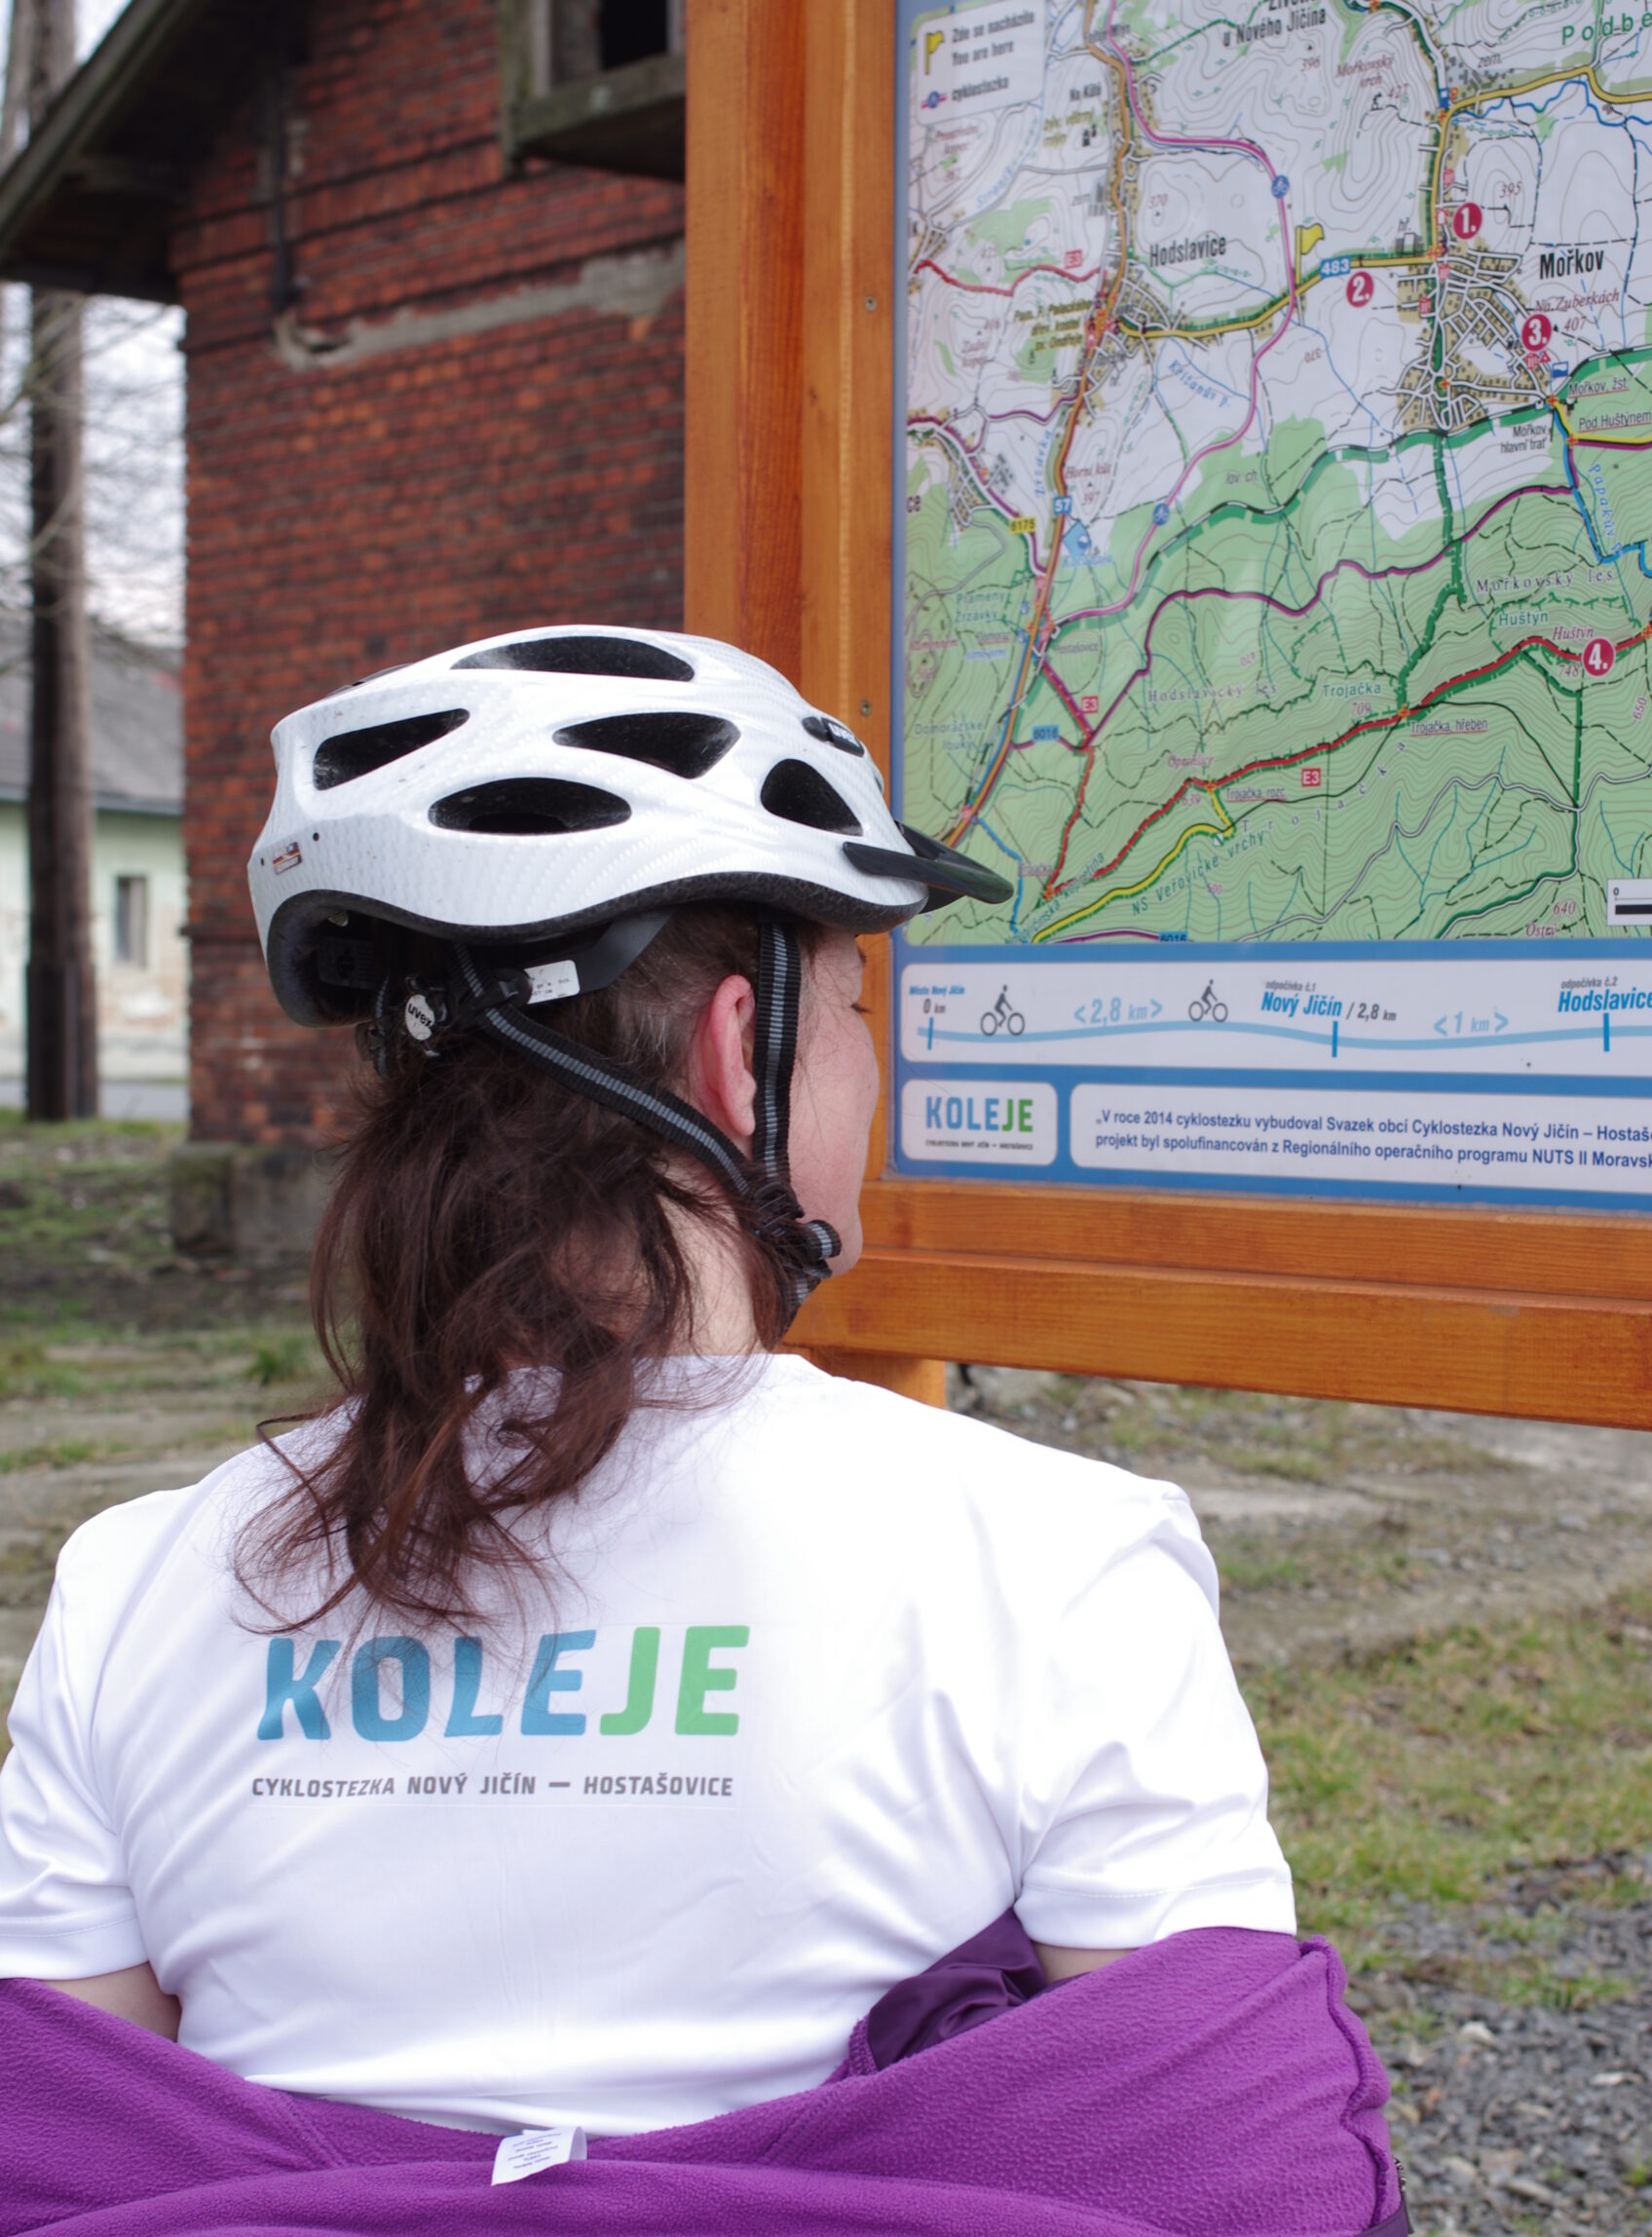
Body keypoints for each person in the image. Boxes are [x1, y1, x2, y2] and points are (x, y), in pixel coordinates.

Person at [0, 624, 1295, 2136]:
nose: (868, 1067)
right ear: (743, 1053)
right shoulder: (1061, 1564)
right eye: (856, 1013)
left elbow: (66, 2175)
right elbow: (1221, 2170)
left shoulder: (140, 1587)